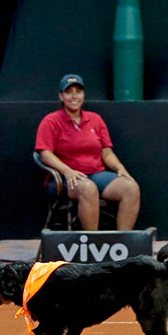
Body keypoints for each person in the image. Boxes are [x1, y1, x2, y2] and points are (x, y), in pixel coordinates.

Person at [35, 73, 141, 231]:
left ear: (83, 95)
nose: (74, 96)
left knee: (131, 188)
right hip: (67, 178)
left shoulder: (95, 119)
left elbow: (106, 153)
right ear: (61, 96)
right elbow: (44, 153)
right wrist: (67, 171)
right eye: (69, 92)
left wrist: (119, 167)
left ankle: (123, 244)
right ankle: (92, 244)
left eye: (78, 91)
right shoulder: (51, 121)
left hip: (97, 174)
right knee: (88, 188)